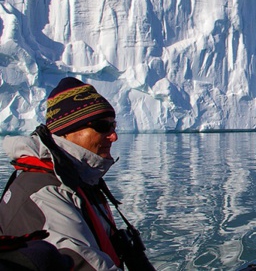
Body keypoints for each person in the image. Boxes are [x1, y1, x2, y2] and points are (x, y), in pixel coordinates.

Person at [0, 77, 153, 270]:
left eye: (113, 126)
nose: (114, 136)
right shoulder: (46, 193)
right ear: (66, 131)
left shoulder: (75, 179)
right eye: (102, 126)